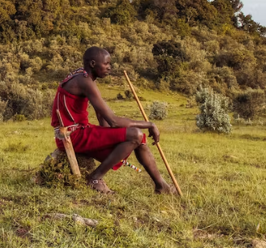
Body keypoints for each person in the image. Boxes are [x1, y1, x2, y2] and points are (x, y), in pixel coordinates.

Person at [52, 47, 175, 194]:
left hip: (79, 131)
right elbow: (113, 121)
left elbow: (101, 115)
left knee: (139, 138)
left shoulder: (83, 76)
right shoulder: (84, 81)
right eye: (106, 64)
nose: (109, 67)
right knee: (135, 134)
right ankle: (95, 178)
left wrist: (111, 137)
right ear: (92, 63)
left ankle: (161, 185)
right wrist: (150, 124)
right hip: (72, 135)